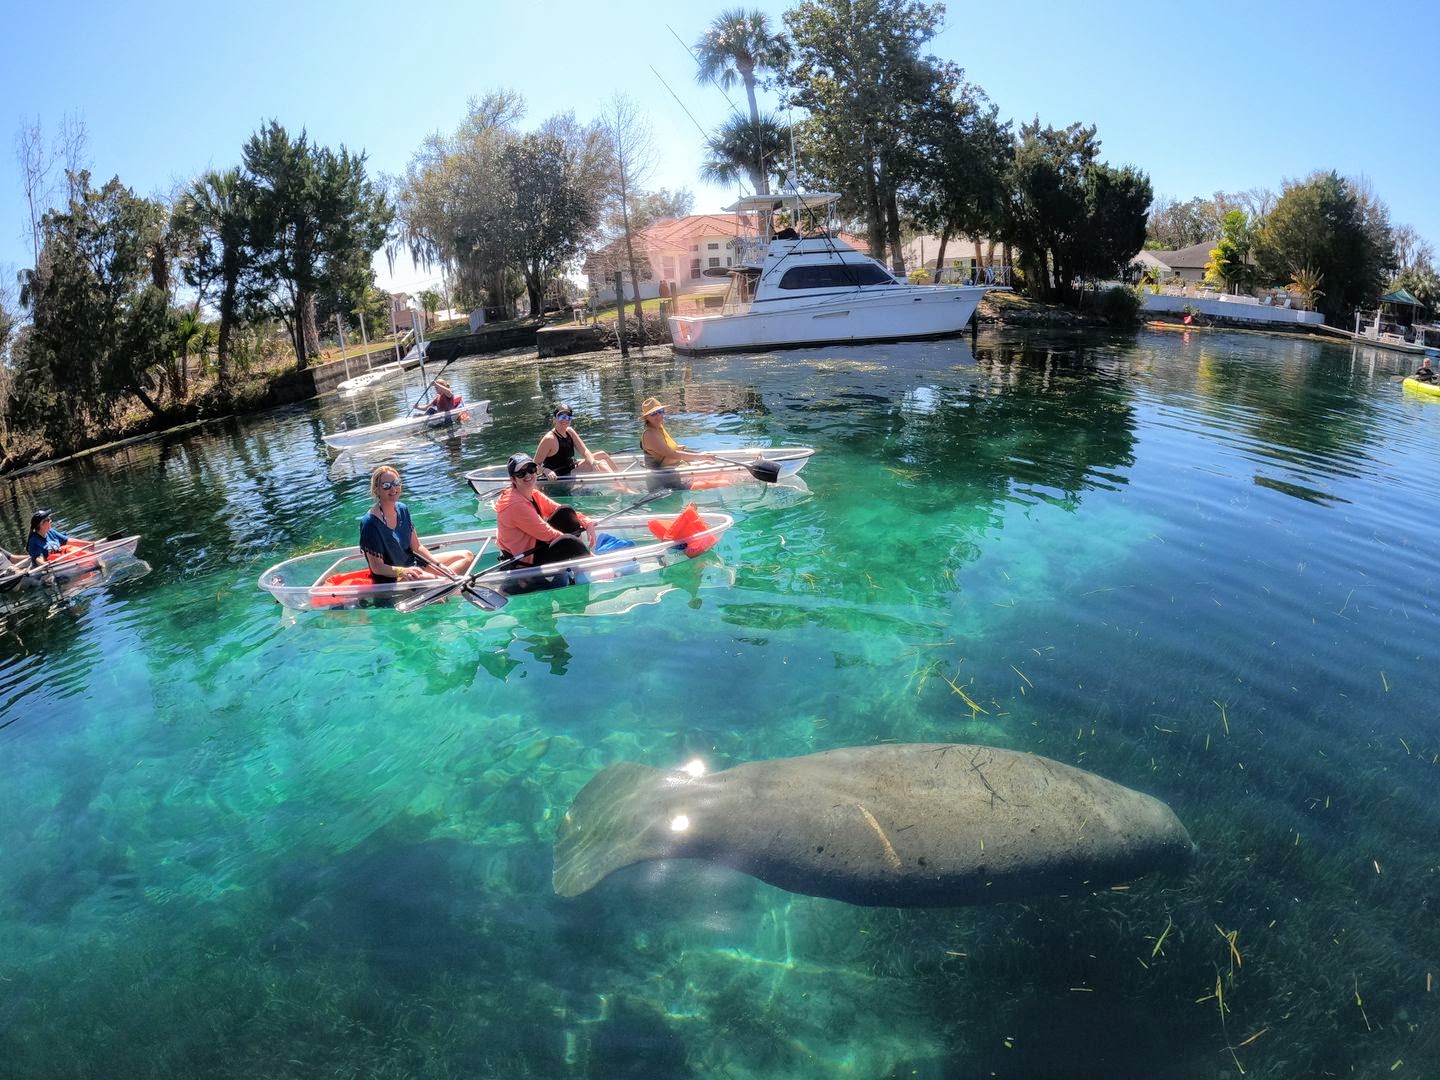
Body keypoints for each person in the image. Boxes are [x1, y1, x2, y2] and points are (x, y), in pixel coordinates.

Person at [359, 466, 471, 583]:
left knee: (466, 556)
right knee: (437, 579)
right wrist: (403, 571)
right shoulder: (370, 523)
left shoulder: (402, 509)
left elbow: (417, 547)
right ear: (376, 490)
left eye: (396, 483)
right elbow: (377, 567)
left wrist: (438, 565)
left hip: (413, 565)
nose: (393, 489)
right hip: (394, 577)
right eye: (386, 485)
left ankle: (445, 584)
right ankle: (447, 584)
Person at [495, 453, 595, 567]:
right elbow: (548, 534)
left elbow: (557, 508)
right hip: (524, 557)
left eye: (531, 469)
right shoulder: (515, 505)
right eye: (521, 473)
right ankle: (590, 563)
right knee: (567, 541)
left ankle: (580, 558)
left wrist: (587, 522)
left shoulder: (532, 493)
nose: (528, 475)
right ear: (513, 479)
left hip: (534, 543)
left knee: (566, 511)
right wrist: (576, 546)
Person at [535, 402, 615, 479]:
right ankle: (620, 486)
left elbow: (584, 451)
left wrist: (593, 462)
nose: (565, 420)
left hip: (572, 467)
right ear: (554, 419)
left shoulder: (570, 431)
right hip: (561, 475)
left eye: (568, 417)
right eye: (561, 417)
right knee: (602, 464)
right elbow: (533, 466)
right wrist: (545, 470)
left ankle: (619, 479)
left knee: (603, 455)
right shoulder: (549, 439)